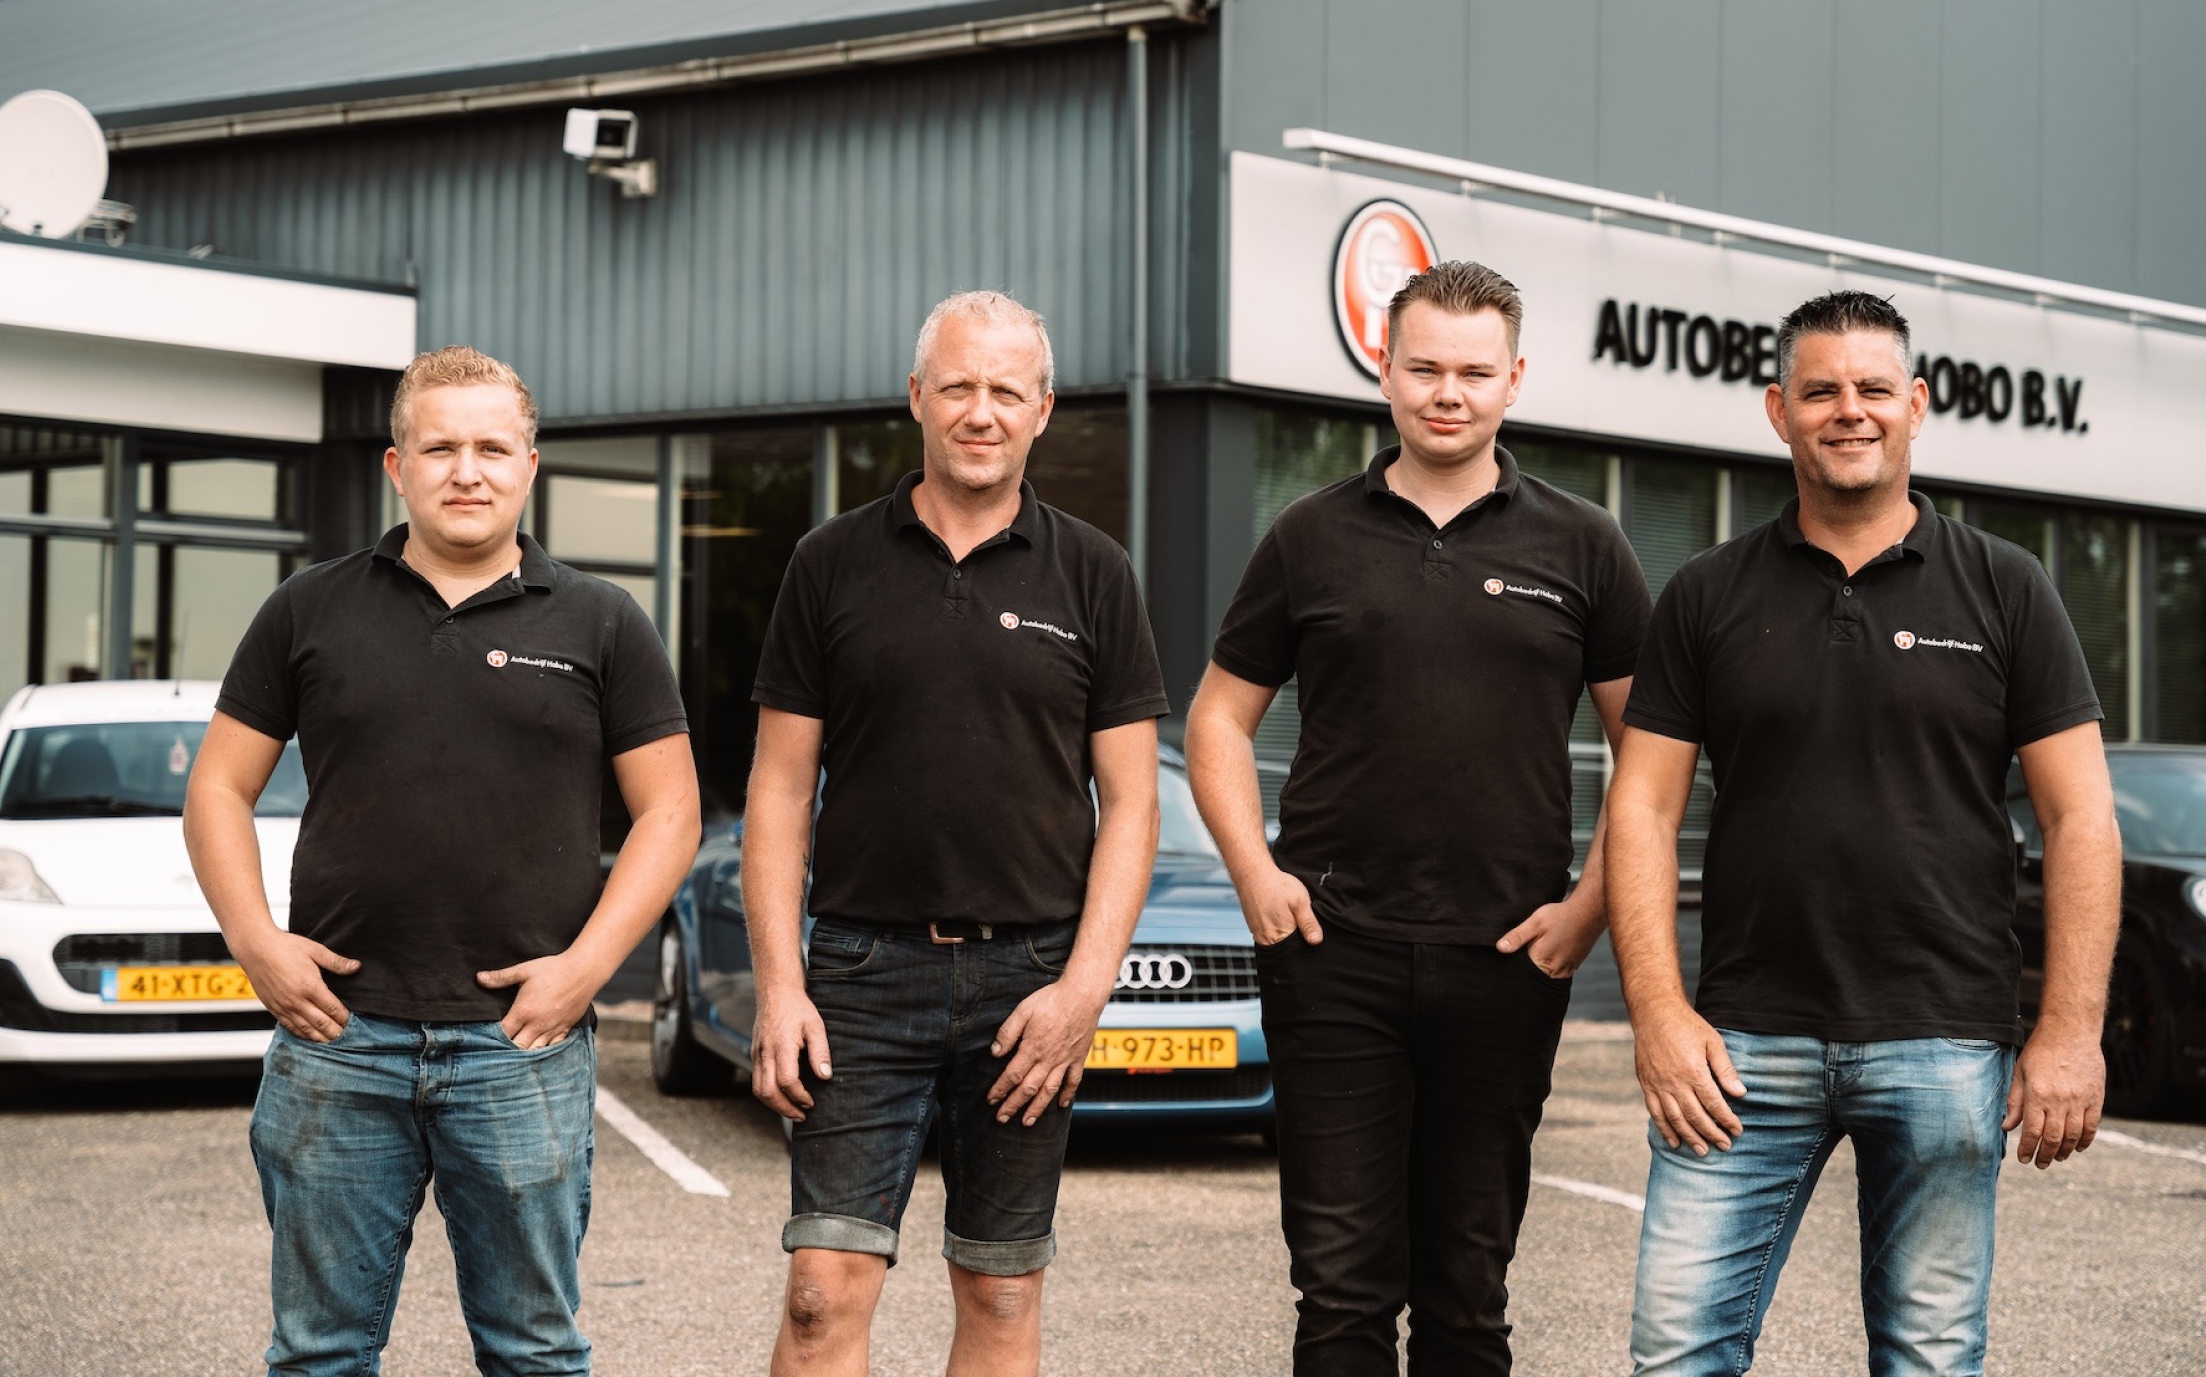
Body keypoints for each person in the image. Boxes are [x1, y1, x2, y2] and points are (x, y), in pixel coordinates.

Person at [1604, 291, 2122, 1377]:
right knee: (1676, 1350)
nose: (1850, 410)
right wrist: (1657, 1013)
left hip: (1943, 1037)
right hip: (1739, 1046)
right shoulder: (1705, 593)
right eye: (1821, 390)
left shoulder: (2006, 587)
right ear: (1777, 410)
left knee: (1929, 1357)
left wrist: (2069, 1031)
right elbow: (1641, 808)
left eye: (1874, 388)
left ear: (1916, 404)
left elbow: (2080, 817)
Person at [185, 344, 701, 1377]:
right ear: (396, 466)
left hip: (521, 1045)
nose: (468, 471)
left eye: (493, 449)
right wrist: (255, 943)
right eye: (440, 448)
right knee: (319, 1353)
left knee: (534, 1352)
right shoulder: (309, 607)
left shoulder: (602, 620)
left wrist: (586, 969)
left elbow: (671, 811)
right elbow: (216, 789)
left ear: (529, 465)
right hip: (339, 1036)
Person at [1186, 260, 1655, 1376]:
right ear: (1384, 370)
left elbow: (1654, 751)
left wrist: (1588, 908)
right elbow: (1215, 719)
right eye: (1426, 367)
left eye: (1475, 372)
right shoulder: (1308, 535)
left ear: (1514, 380)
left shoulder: (1584, 542)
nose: (1449, 392)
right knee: (1340, 1294)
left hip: (1507, 957)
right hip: (1331, 953)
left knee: (1467, 1293)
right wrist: (1255, 872)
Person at [744, 290, 1169, 1377]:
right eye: (960, 387)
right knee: (819, 1293)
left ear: (1043, 409)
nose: (982, 412)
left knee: (1000, 1287)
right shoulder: (829, 562)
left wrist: (1082, 992)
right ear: (917, 397)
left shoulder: (1095, 572)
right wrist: (782, 987)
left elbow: (1132, 802)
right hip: (859, 974)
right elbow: (780, 792)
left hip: (1030, 982)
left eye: (1007, 391)